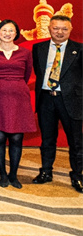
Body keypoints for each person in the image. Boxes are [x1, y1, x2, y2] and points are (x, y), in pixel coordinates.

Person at [31, 14, 82, 193]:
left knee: (76, 141)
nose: (60, 32)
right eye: (56, 28)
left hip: (71, 100)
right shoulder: (38, 48)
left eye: (64, 29)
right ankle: (46, 172)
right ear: (49, 29)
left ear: (70, 29)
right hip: (46, 98)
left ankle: (77, 176)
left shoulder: (79, 49)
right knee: (47, 138)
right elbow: (38, 71)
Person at [0, 20, 36, 189]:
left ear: (16, 33)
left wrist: (14, 86)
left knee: (16, 138)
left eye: (11, 30)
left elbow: (27, 74)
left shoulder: (25, 52)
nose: (7, 33)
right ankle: (3, 174)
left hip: (19, 98)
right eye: (4, 30)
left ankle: (13, 174)